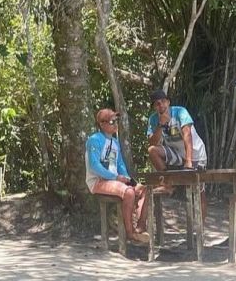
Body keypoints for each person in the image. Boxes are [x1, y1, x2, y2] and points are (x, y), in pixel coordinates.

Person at [85, 108, 149, 246]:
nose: (115, 124)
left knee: (143, 189)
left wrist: (127, 179)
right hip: (98, 181)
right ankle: (130, 233)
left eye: (116, 121)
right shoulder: (94, 140)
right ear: (102, 124)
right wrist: (115, 177)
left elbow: (119, 164)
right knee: (129, 192)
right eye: (112, 121)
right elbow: (95, 165)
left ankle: (141, 227)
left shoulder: (114, 142)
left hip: (115, 180)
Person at [147, 88, 208, 219]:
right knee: (152, 150)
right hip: (176, 154)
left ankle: (200, 229)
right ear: (154, 107)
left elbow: (187, 135)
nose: (161, 105)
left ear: (168, 102)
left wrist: (189, 161)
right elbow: (152, 142)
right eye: (157, 103)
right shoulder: (153, 119)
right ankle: (166, 183)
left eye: (163, 101)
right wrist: (160, 126)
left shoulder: (180, 112)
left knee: (199, 190)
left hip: (195, 153)